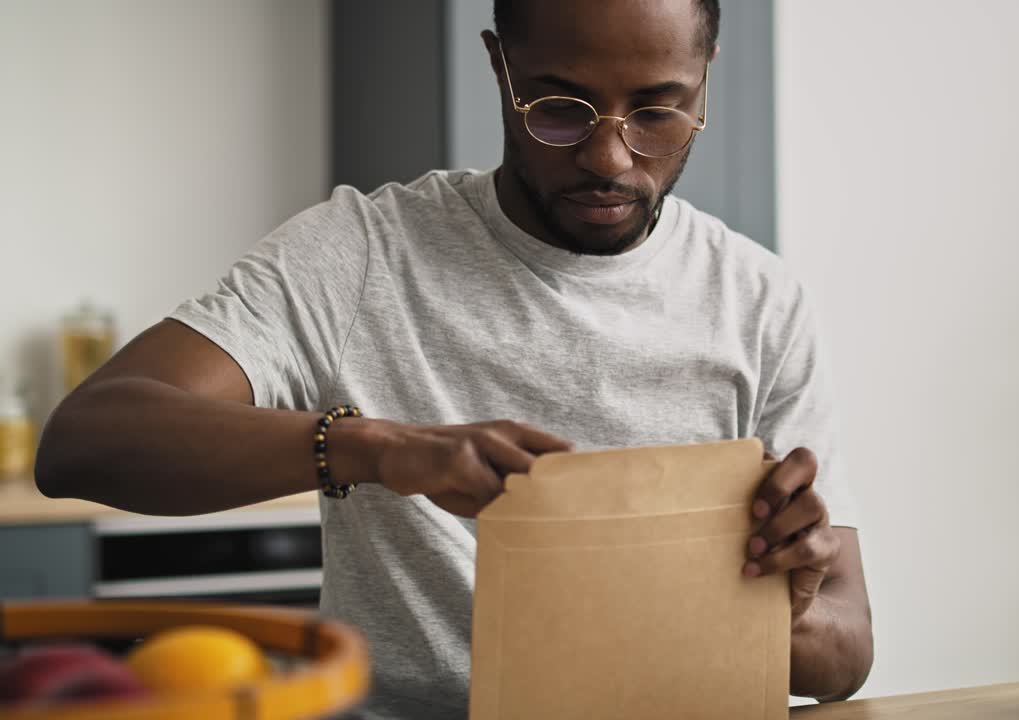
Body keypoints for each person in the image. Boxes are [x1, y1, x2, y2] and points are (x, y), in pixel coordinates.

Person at [35, 0, 873, 716]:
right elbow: (86, 440)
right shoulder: (361, 254)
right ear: (500, 66)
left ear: (705, 76)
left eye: (657, 113)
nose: (609, 159)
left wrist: (783, 612)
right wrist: (376, 448)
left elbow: (847, 656)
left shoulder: (758, 299)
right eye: (561, 109)